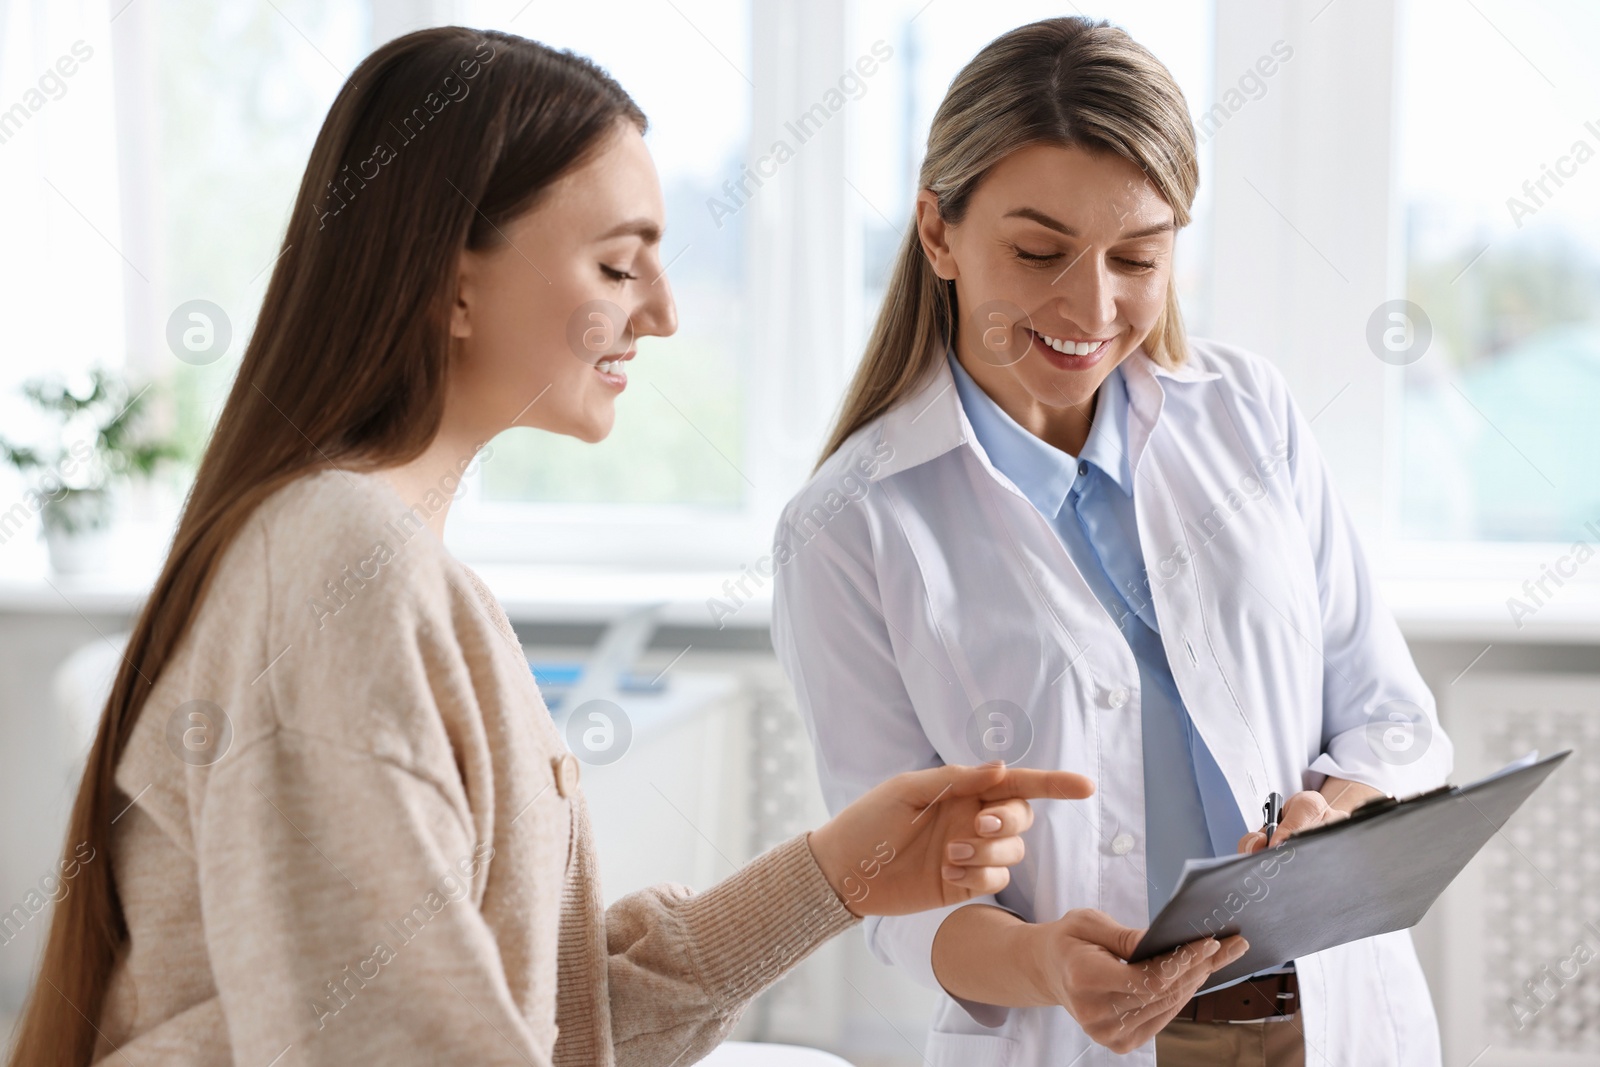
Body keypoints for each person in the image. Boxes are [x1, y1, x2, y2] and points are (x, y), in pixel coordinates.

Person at [2, 27, 1126, 1067]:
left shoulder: (384, 562)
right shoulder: (338, 572)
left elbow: (548, 1019)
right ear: (451, 277)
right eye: (616, 263)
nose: (667, 311)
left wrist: (836, 874)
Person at [771, 16, 1451, 1067]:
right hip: (1083, 1040)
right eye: (1038, 250)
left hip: (1330, 1015)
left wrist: (1343, 814)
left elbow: (1390, 716)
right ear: (938, 232)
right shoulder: (850, 525)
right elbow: (888, 891)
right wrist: (1045, 961)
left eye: (1137, 255)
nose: (1090, 305)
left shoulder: (1248, 415)